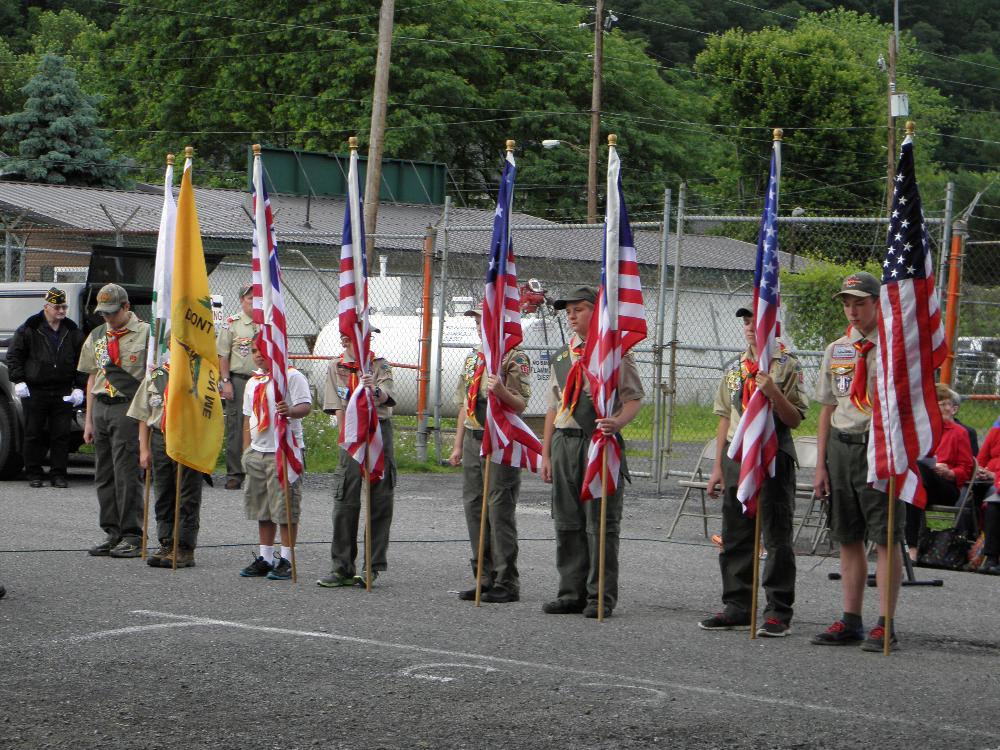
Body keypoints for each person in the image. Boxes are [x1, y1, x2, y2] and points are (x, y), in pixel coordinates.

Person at [700, 307, 807, 637]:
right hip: (738, 456)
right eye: (746, 322)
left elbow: (795, 418)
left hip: (772, 455)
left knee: (776, 534)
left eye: (756, 321)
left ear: (772, 325)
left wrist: (773, 392)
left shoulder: (788, 366)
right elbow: (724, 417)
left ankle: (777, 609)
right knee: (735, 533)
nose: (749, 327)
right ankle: (738, 604)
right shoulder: (735, 370)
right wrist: (718, 466)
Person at [811, 271, 903, 652]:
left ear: (877, 303)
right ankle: (851, 619)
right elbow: (828, 407)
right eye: (847, 303)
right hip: (842, 446)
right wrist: (820, 465)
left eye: (859, 302)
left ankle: (886, 622)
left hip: (878, 446)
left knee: (884, 536)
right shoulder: (839, 349)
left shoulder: (895, 347)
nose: (852, 310)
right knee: (847, 536)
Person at [540, 286, 643, 619]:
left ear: (595, 313)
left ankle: (600, 595)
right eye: (567, 312)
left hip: (596, 441)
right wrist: (545, 452)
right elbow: (553, 407)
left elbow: (633, 399)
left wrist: (616, 422)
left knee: (599, 522)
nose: (571, 316)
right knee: (567, 521)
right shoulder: (563, 355)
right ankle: (571, 591)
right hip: (564, 442)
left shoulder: (612, 354)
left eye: (579, 310)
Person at [448, 307, 532, 603]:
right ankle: (482, 577)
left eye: (484, 320)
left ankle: (506, 581)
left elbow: (520, 404)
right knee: (474, 508)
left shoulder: (514, 356)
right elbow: (464, 405)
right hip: (473, 436)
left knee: (499, 509)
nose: (479, 326)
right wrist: (458, 445)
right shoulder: (474, 358)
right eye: (477, 321)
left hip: (499, 440)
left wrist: (501, 392)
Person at [316, 329, 396, 588]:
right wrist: (345, 440)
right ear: (345, 341)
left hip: (377, 430)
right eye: (358, 336)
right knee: (345, 499)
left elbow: (385, 396)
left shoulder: (379, 365)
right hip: (350, 433)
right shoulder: (336, 366)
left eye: (368, 336)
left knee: (379, 498)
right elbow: (338, 407)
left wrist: (374, 390)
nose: (366, 340)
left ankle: (371, 566)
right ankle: (342, 567)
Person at [77, 283, 150, 558]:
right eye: (103, 313)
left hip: (127, 408)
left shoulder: (146, 334)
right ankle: (112, 532)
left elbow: (150, 378)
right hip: (102, 408)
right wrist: (88, 420)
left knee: (126, 474)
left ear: (126, 307)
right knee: (104, 475)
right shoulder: (97, 336)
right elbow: (92, 377)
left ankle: (132, 533)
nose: (107, 318)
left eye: (112, 313)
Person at [239, 336, 312, 580]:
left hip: (283, 451)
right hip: (258, 452)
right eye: (254, 350)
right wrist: (246, 451)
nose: (258, 355)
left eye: (263, 350)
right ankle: (266, 557)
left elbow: (305, 406)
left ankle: (287, 559)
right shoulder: (253, 382)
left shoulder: (291, 376)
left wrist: (290, 411)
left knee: (285, 508)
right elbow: (248, 418)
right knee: (263, 508)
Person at [5, 287, 86, 488]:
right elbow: (14, 355)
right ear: (47, 307)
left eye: (64, 307)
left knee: (61, 434)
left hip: (62, 390)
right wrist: (19, 380)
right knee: (34, 432)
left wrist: (79, 386)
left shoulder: (71, 329)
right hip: (36, 389)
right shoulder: (30, 327)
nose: (61, 311)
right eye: (58, 307)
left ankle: (58, 474)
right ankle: (34, 473)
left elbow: (82, 359)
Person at [126, 363, 203, 568]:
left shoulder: (201, 373)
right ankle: (166, 542)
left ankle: (185, 547)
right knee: (164, 492)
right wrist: (144, 449)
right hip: (160, 437)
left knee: (187, 494)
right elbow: (143, 415)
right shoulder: (157, 375)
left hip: (189, 439)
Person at [906, 383, 973, 562]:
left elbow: (966, 469)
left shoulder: (959, 433)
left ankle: (910, 548)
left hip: (946, 487)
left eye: (945, 404)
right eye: (939, 404)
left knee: (916, 478)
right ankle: (911, 547)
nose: (943, 408)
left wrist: (950, 472)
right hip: (922, 485)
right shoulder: (921, 431)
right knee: (913, 490)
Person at [217, 285, 258, 490]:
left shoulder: (268, 322)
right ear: (242, 300)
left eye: (258, 297)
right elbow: (223, 354)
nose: (254, 301)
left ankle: (257, 470)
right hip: (240, 381)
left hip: (263, 380)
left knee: (262, 424)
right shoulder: (232, 324)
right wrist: (225, 382)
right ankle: (235, 473)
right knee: (236, 426)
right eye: (251, 298)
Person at [973, 417, 1000, 575]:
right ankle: (989, 558)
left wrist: (994, 476)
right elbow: (982, 457)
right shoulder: (997, 426)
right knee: (971, 492)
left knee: (993, 498)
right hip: (990, 478)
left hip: (995, 480)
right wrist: (980, 470)